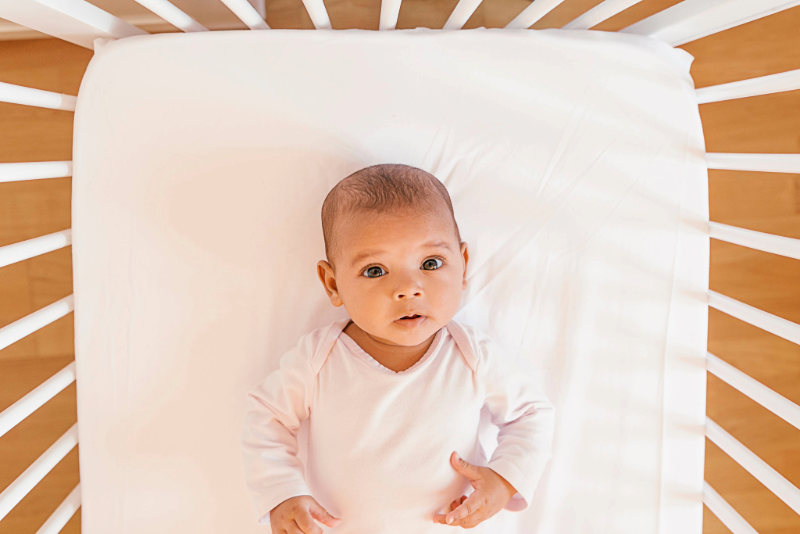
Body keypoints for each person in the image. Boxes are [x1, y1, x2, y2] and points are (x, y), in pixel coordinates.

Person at [241, 164, 555, 533]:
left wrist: (505, 479)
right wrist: (281, 492)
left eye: (430, 263)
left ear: (464, 264)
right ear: (333, 283)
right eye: (375, 270)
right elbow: (266, 417)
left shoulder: (471, 356)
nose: (408, 288)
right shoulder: (320, 358)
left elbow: (532, 414)